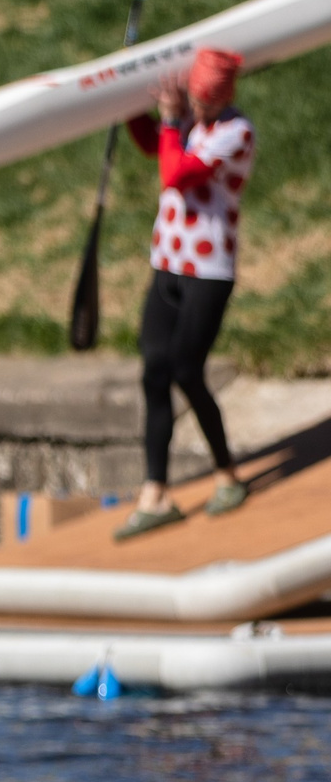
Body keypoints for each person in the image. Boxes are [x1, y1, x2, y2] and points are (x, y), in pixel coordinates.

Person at [116, 47, 255, 542]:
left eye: (203, 102)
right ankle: (155, 492)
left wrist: (173, 121)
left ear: (221, 97)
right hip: (168, 264)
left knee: (186, 370)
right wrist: (127, 107)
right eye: (192, 99)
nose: (195, 108)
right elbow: (154, 144)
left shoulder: (236, 132)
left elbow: (176, 171)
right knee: (154, 370)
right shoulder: (191, 123)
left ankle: (227, 473)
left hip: (209, 271)